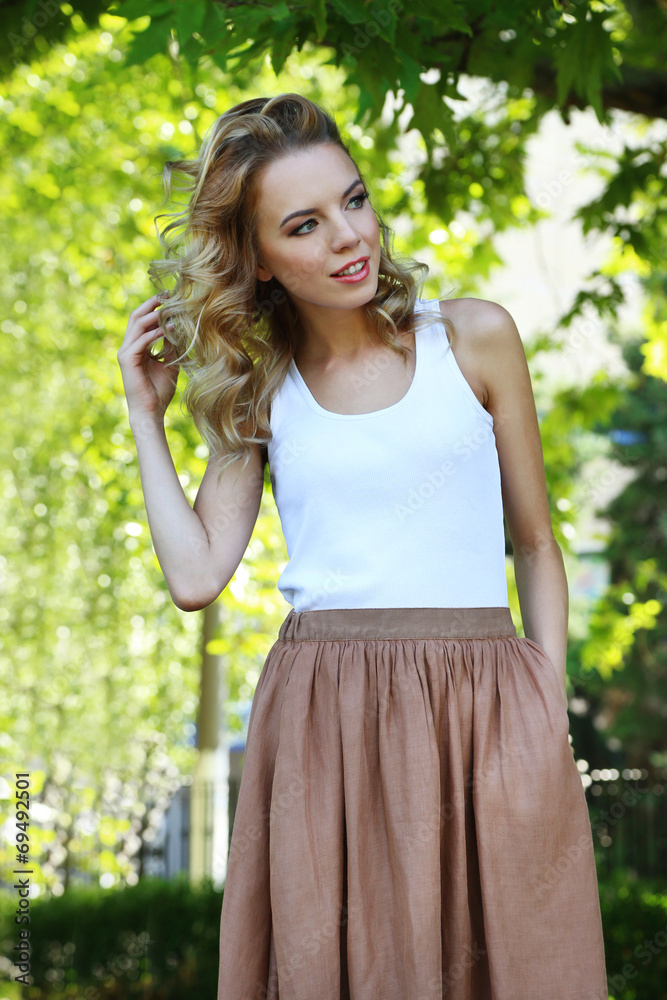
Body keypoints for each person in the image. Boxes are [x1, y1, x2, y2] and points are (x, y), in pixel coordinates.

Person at [117, 93, 608, 1000]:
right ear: (258, 261)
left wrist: (546, 702)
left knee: (513, 955)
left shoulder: (475, 338)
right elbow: (194, 575)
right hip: (323, 712)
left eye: (353, 200)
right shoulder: (259, 391)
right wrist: (145, 415)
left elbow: (536, 543)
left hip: (484, 699)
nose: (347, 237)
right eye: (303, 225)